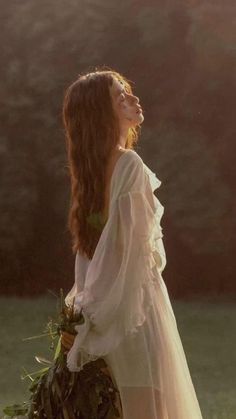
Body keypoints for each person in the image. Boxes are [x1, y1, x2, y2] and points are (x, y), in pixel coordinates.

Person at [62, 68, 203, 418]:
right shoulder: (129, 165)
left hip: (105, 300)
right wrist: (98, 310)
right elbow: (133, 254)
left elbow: (92, 253)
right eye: (120, 97)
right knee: (145, 404)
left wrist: (84, 306)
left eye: (127, 91)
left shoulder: (91, 170)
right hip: (134, 306)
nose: (133, 99)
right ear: (101, 113)